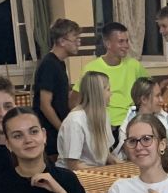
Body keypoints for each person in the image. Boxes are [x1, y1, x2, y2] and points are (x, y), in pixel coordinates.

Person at [81, 22, 152, 135]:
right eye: (121, 41)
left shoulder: (134, 65)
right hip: (104, 126)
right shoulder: (91, 68)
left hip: (131, 124)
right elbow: (78, 100)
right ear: (108, 44)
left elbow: (150, 89)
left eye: (127, 41)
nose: (126, 46)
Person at [35, 18, 81, 160]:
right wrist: (63, 129)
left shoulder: (60, 63)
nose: (78, 43)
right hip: (50, 132)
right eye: (75, 39)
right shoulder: (49, 64)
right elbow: (45, 105)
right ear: (62, 41)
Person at [58, 71, 116, 170]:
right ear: (98, 93)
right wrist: (102, 173)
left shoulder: (104, 115)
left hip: (94, 170)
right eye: (108, 89)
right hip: (73, 174)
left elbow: (106, 155)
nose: (111, 94)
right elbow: (73, 165)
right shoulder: (75, 121)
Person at [116, 77, 168, 159]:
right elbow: (128, 152)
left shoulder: (165, 118)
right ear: (144, 99)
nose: (161, 100)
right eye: (157, 96)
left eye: (161, 95)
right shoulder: (129, 123)